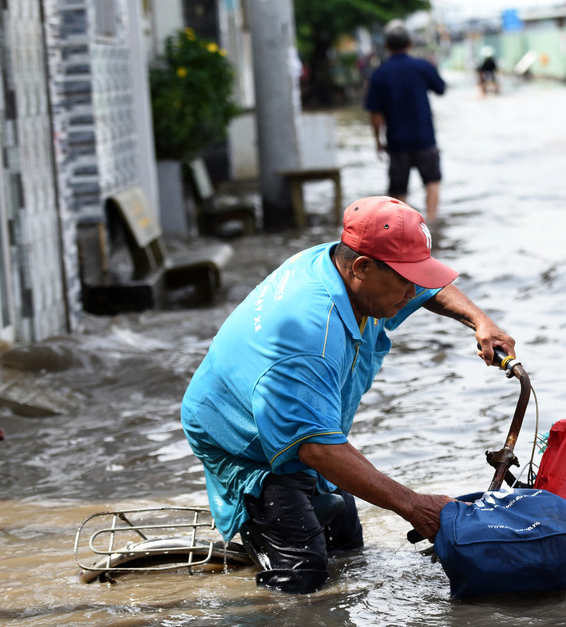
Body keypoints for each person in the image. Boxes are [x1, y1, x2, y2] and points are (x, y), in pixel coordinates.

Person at [180, 196, 516, 594]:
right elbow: (317, 450)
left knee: (348, 548)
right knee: (303, 579)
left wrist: (479, 320)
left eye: (418, 276)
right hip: (241, 438)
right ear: (361, 267)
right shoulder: (309, 337)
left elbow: (430, 289)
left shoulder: (345, 269)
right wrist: (412, 505)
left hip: (302, 417)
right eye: (406, 280)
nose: (414, 290)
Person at [365, 21, 447, 221]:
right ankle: (431, 225)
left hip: (397, 140)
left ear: (387, 46)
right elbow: (441, 89)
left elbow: (375, 114)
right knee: (432, 181)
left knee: (399, 191)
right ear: (410, 43)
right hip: (425, 138)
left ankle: (402, 230)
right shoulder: (422, 66)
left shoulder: (380, 74)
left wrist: (377, 141)